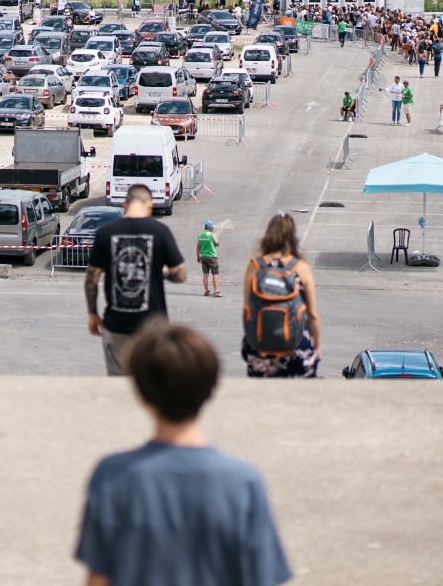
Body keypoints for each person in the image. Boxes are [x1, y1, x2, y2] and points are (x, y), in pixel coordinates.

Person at [74, 324, 292, 586]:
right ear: (210, 388)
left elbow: (98, 579)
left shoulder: (112, 476)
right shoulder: (243, 482)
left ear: (142, 393)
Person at [86, 184, 187, 376]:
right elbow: (181, 274)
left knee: (120, 386)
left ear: (125, 203)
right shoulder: (160, 231)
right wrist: (158, 271)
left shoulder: (105, 232)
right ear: (149, 204)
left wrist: (93, 314)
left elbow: (92, 279)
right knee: (152, 385)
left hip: (116, 325)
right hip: (154, 329)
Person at [241, 215, 321, 378]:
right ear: (292, 237)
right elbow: (312, 314)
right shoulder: (301, 268)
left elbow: (247, 308)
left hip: (261, 347)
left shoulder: (255, 266)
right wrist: (317, 345)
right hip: (296, 347)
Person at [197, 221, 221, 297]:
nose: (213, 228)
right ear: (210, 227)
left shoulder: (200, 235)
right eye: (212, 227)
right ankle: (216, 291)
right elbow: (217, 243)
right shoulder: (211, 234)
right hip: (211, 256)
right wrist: (215, 243)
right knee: (215, 274)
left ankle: (206, 291)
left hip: (203, 256)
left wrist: (198, 257)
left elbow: (197, 247)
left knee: (205, 274)